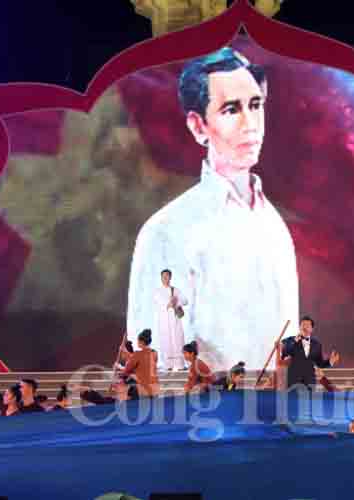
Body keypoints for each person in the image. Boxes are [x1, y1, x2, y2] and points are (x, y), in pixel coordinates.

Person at [127, 47, 299, 371]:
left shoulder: (273, 224)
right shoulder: (167, 231)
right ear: (198, 126)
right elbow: (155, 361)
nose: (250, 124)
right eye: (231, 109)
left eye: (255, 105)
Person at [279, 316, 340, 390]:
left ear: (312, 329)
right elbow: (284, 354)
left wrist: (330, 362)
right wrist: (294, 341)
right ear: (299, 327)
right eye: (303, 325)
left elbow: (319, 363)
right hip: (293, 380)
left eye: (307, 325)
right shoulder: (289, 340)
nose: (304, 327)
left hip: (310, 381)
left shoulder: (317, 344)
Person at [154, 270, 188, 371]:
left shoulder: (175, 290)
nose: (165, 278)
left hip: (175, 320)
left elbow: (185, 300)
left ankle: (180, 364)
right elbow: (160, 302)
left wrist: (177, 301)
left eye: (167, 276)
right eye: (163, 276)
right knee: (166, 341)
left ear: (170, 277)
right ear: (161, 278)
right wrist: (169, 303)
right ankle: (168, 364)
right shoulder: (158, 291)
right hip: (164, 321)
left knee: (178, 340)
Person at [119, 329, 160, 397]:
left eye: (137, 341)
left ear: (141, 342)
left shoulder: (138, 354)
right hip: (155, 387)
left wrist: (120, 368)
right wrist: (125, 352)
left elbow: (127, 370)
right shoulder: (154, 353)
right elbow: (141, 358)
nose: (137, 343)